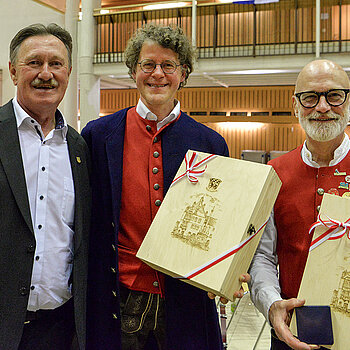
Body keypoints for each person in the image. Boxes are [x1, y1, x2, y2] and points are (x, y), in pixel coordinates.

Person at [82, 24, 247, 350]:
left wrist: (230, 270)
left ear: (183, 73)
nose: (158, 74)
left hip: (186, 300)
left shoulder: (210, 143)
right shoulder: (98, 135)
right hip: (119, 295)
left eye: (168, 65)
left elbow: (222, 224)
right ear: (133, 71)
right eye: (148, 64)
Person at [0, 23, 90, 350]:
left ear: (68, 72)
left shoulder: (80, 149)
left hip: (61, 328)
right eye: (34, 63)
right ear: (13, 71)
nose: (46, 73)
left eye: (56, 64)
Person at [249, 59, 350, 350]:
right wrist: (272, 305)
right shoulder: (274, 172)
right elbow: (262, 257)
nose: (322, 107)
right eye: (310, 97)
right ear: (295, 105)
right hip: (290, 331)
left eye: (334, 95)